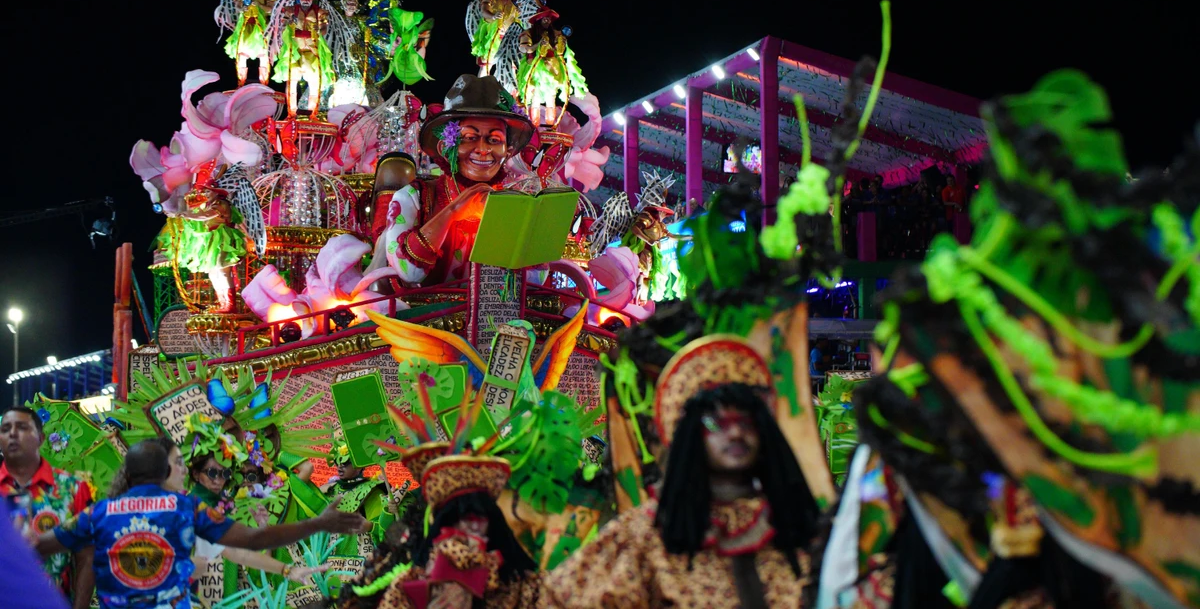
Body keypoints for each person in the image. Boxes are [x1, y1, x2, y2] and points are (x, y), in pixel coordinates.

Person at [543, 336, 820, 608]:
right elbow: (560, 597)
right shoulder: (647, 534)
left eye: (745, 422)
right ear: (691, 435)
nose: (735, 433)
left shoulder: (794, 526)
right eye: (717, 423)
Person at [35, 438, 369, 609]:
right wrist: (318, 524)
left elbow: (39, 547)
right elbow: (252, 540)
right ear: (165, 472)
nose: (183, 469)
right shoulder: (185, 508)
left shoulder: (98, 513)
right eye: (179, 464)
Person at [379, 71, 533, 285]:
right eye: (470, 138)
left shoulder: (518, 205)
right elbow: (409, 271)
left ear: (508, 150)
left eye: (494, 139)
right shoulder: (413, 197)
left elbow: (537, 277)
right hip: (421, 316)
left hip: (496, 317)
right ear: (445, 148)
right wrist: (452, 211)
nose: (483, 149)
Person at [380, 446, 540, 608]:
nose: (475, 526)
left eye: (481, 517)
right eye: (465, 518)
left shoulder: (521, 582)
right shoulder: (413, 582)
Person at [187, 450, 330, 595]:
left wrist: (272, 451)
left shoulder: (284, 492)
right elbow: (251, 564)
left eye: (251, 475)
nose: (245, 480)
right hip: (274, 591)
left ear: (262, 474)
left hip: (309, 578)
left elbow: (307, 467)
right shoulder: (230, 512)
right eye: (238, 475)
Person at [1, 406, 94, 609]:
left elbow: (86, 556)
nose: (13, 434)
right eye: (5, 429)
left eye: (22, 427)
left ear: (41, 438)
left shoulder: (73, 488)